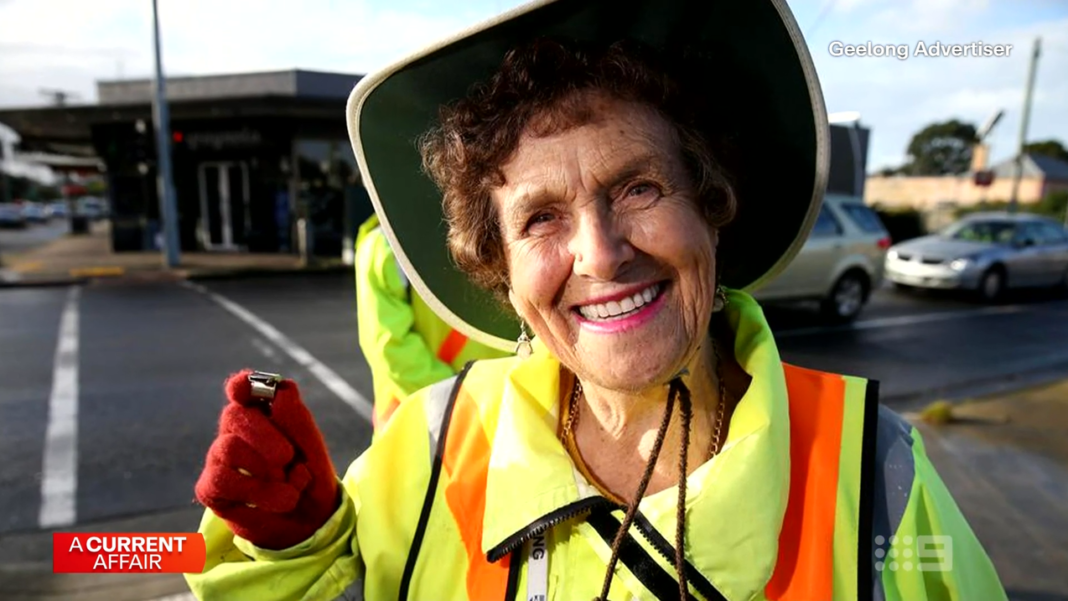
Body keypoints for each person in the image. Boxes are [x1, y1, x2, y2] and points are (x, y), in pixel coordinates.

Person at [188, 1, 1007, 599]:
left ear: (711, 207)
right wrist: (294, 551)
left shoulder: (878, 471)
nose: (602, 253)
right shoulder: (425, 449)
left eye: (639, 187)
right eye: (540, 218)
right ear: (501, 269)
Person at [355, 213, 510, 430]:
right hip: (493, 410)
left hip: (433, 424)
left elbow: (390, 348)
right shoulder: (503, 224)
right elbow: (390, 348)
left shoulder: (384, 245)